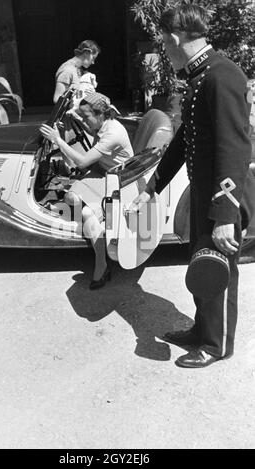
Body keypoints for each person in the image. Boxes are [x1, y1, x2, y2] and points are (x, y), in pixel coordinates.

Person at [130, 4, 252, 368]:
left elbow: (234, 146)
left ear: (174, 38)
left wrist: (226, 215)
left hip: (223, 197)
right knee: (202, 265)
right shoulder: (202, 76)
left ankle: (217, 345)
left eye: (164, 45)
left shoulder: (222, 75)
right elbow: (186, 137)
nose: (164, 52)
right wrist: (154, 185)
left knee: (219, 269)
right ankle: (201, 330)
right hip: (204, 193)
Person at [40, 92, 134, 289]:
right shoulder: (103, 124)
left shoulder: (112, 133)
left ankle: (102, 264)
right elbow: (88, 134)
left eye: (86, 116)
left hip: (119, 182)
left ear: (100, 114)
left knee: (83, 210)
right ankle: (95, 223)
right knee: (70, 197)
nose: (83, 120)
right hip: (103, 173)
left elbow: (82, 161)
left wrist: (58, 140)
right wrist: (69, 126)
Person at [53, 40, 100, 104]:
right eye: (93, 58)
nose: (93, 62)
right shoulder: (67, 70)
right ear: (86, 53)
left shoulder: (78, 68)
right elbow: (57, 99)